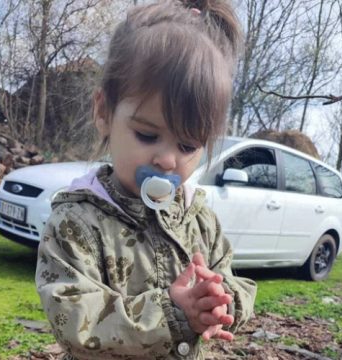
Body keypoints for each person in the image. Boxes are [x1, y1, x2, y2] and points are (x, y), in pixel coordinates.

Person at [35, 1, 257, 359]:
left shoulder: (199, 220)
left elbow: (237, 282)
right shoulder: (78, 221)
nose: (167, 159)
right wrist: (171, 311)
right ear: (104, 112)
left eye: (187, 144)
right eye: (147, 135)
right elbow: (75, 319)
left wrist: (218, 304)